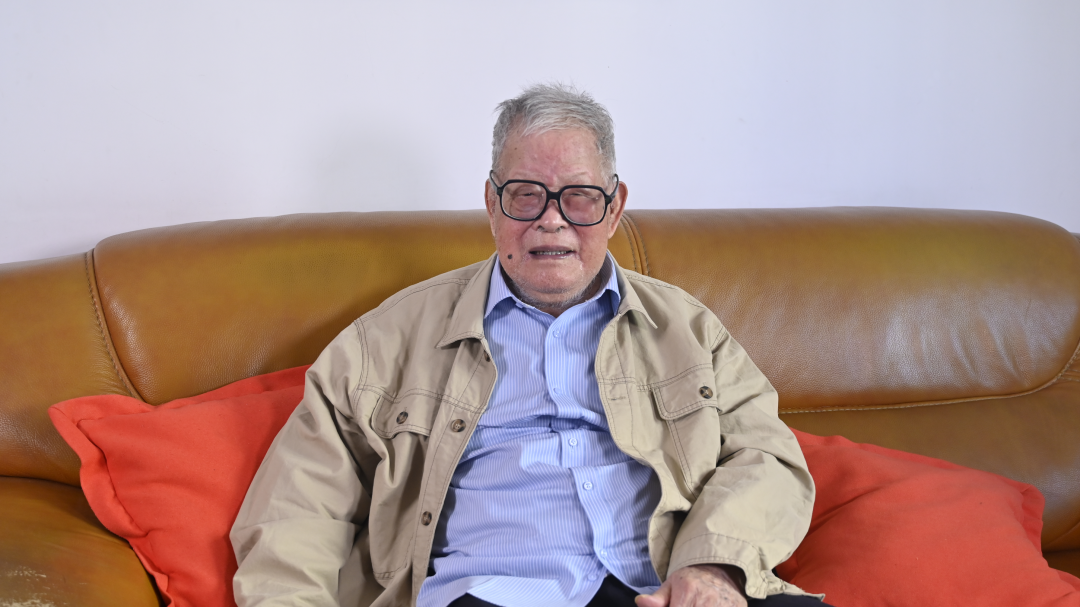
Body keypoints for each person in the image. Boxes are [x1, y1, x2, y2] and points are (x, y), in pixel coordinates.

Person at [231, 83, 825, 607]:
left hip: (663, 588)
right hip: (491, 592)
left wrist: (713, 565)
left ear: (614, 208)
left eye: (579, 196)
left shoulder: (689, 330)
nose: (552, 220)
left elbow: (766, 457)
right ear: (492, 204)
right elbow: (296, 513)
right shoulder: (381, 345)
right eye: (525, 194)